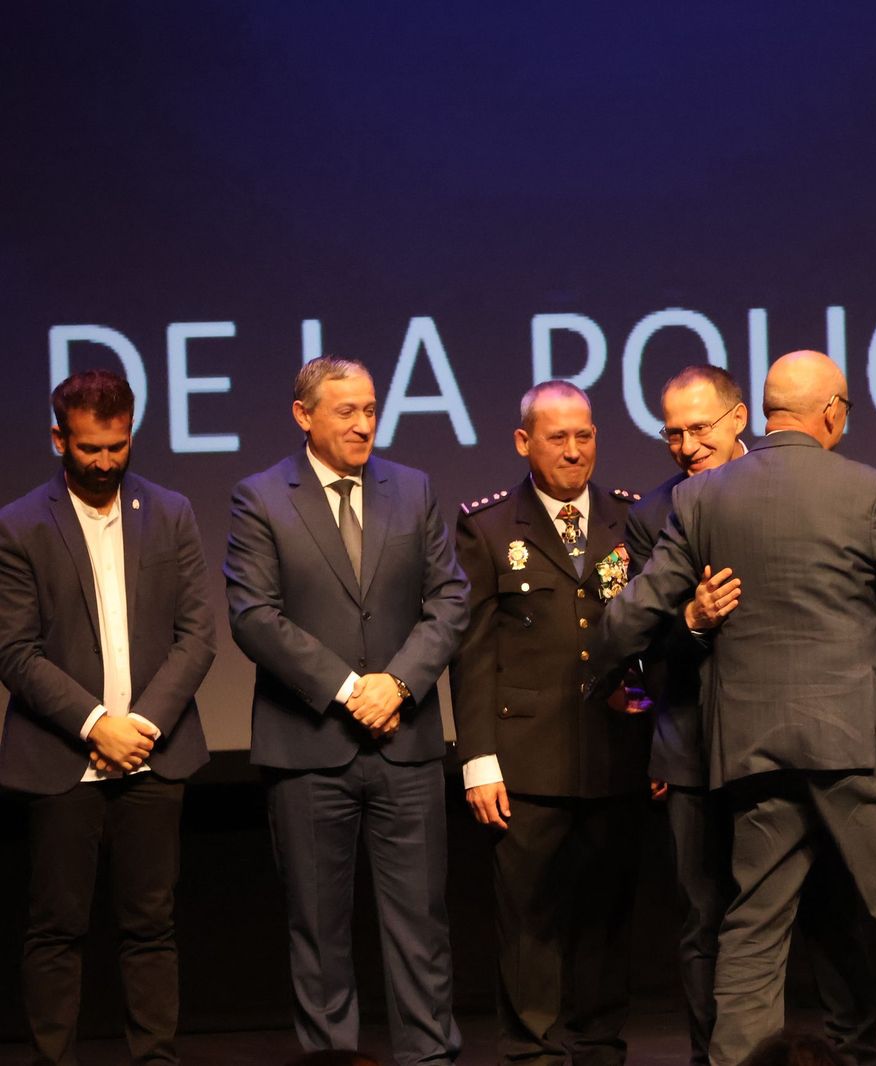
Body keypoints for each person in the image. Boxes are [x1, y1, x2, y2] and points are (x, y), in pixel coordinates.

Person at [593, 350, 876, 1066]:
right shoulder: (865, 491)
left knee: (752, 931)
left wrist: (685, 620)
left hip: (753, 752)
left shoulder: (699, 501)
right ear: (833, 413)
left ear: (764, 413)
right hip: (859, 744)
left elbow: (621, 626)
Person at [225, 356, 468, 1065]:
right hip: (308, 748)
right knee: (319, 932)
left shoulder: (412, 488)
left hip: (406, 744)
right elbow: (253, 615)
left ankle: (429, 1058)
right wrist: (349, 689)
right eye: (346, 412)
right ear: (303, 416)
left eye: (370, 409)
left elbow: (449, 599)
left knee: (422, 926)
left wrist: (398, 683)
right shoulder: (260, 497)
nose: (364, 424)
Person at [0, 369, 215, 1065]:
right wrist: (97, 724)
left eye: (117, 446)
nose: (104, 462)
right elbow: (14, 650)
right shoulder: (20, 524)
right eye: (89, 448)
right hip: (62, 760)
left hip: (153, 756)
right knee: (56, 928)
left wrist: (138, 727)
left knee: (151, 926)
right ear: (59, 438)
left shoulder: (171, 512)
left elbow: (197, 636)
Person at [451, 380, 654, 1064]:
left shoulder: (632, 519)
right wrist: (478, 760)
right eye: (558, 437)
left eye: (584, 436)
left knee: (607, 918)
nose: (573, 451)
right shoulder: (487, 527)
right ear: (524, 442)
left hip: (616, 754)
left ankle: (599, 1048)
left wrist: (657, 733)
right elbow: (472, 652)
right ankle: (531, 1054)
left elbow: (651, 636)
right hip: (525, 761)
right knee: (528, 923)